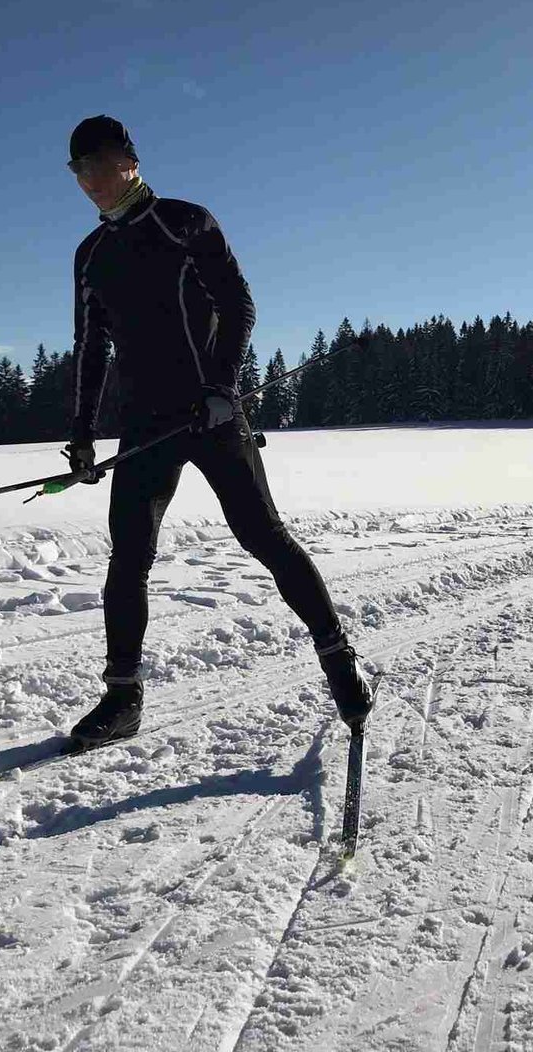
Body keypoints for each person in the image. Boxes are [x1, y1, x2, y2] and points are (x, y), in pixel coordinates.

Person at [58, 115, 372, 748]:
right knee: (128, 559)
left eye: (99, 163)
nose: (90, 179)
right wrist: (84, 435)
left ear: (130, 159)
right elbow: (90, 347)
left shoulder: (185, 223)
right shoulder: (91, 255)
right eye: (78, 170)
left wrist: (221, 389)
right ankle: (122, 698)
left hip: (210, 414)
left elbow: (239, 305)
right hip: (144, 424)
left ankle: (339, 659)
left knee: (263, 536)